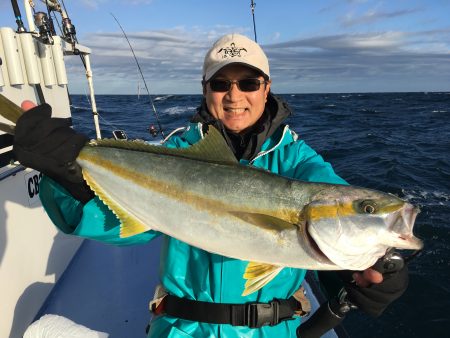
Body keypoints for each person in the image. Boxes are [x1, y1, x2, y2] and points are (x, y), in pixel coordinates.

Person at [13, 33, 409, 337]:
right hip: (182, 330)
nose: (235, 95)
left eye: (248, 83)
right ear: (206, 89)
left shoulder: (299, 162)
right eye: (221, 84)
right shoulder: (178, 151)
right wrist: (69, 177)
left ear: (266, 89)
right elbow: (121, 224)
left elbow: (330, 209)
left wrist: (378, 265)